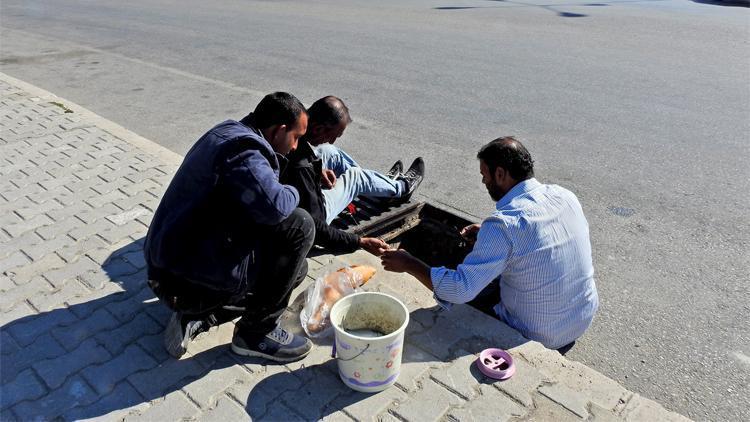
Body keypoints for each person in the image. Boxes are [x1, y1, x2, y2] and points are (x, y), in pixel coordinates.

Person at [380, 137, 599, 353]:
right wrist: (487, 234)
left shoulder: (504, 225)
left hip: (539, 334)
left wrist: (409, 264)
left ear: (500, 174)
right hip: (580, 319)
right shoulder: (565, 196)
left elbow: (460, 290)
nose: (484, 182)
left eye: (485, 176)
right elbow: (536, 238)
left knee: (464, 290)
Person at [144, 92, 315, 362]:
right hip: (180, 283)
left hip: (167, 272)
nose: (295, 147)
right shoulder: (246, 152)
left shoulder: (229, 132)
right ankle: (255, 334)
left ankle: (197, 315)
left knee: (296, 269)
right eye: (296, 137)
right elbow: (277, 206)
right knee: (300, 225)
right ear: (280, 130)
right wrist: (294, 188)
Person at [282, 95, 424, 254]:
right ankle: (401, 188)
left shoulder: (291, 136)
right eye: (333, 136)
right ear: (318, 129)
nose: (332, 141)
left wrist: (317, 171)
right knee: (356, 177)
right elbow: (316, 227)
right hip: (318, 212)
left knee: (330, 152)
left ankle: (380, 186)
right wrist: (358, 242)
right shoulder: (301, 167)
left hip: (302, 189)